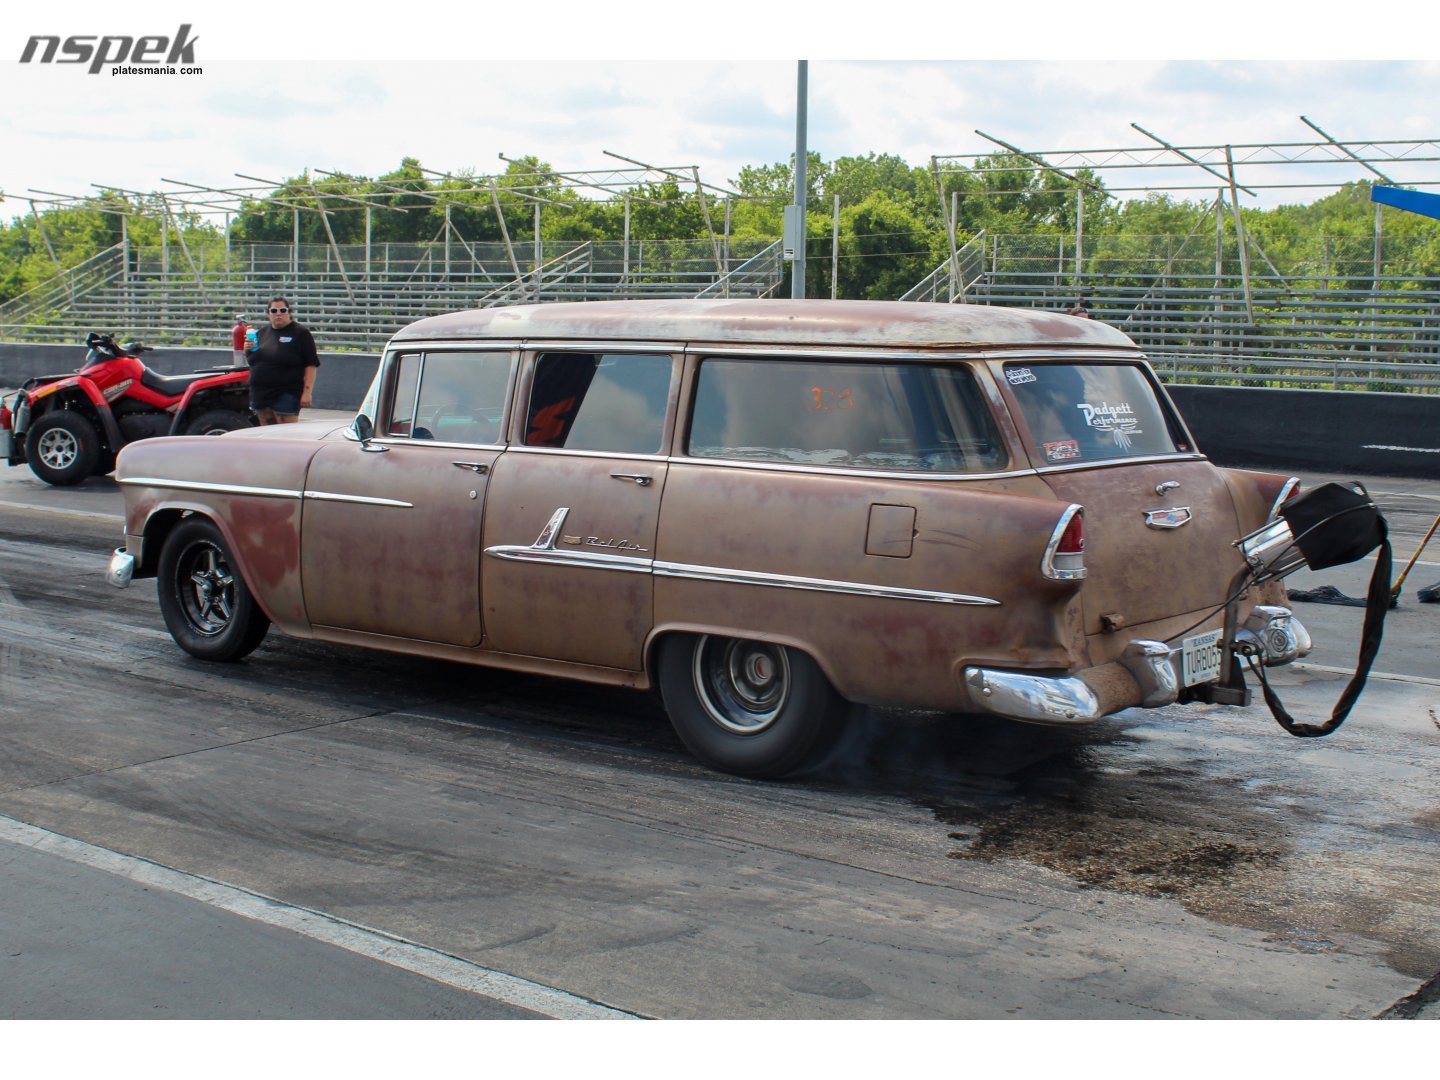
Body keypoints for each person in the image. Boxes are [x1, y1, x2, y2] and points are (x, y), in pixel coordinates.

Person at [248, 297, 319, 426]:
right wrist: (246, 350)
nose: (278, 313)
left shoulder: (300, 333)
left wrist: (307, 392)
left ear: (288, 312)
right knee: (266, 437)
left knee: (286, 436)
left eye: (282, 310)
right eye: (274, 310)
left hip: (286, 393)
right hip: (261, 394)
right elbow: (253, 361)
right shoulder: (261, 333)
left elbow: (311, 364)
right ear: (268, 313)